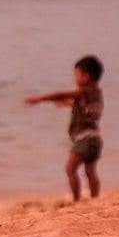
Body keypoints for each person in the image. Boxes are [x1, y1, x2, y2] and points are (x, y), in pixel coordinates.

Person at [25, 55, 104, 201]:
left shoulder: (82, 91)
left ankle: (76, 200)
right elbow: (84, 105)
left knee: (70, 168)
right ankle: (95, 199)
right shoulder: (97, 93)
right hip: (96, 140)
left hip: (84, 140)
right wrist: (68, 103)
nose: (75, 79)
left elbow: (63, 94)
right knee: (90, 172)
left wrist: (41, 99)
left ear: (86, 77)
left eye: (77, 75)